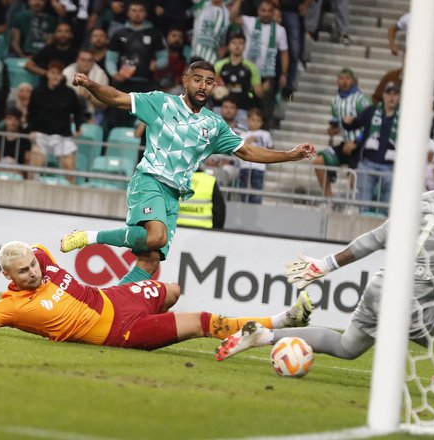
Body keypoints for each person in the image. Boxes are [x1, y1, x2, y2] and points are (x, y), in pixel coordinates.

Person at [216, 150, 434, 400]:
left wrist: (326, 264)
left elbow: (373, 240)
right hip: (415, 307)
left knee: (347, 347)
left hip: (379, 289)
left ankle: (266, 336)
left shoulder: (419, 201)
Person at [60, 61, 315, 285]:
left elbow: (248, 153)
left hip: (174, 195)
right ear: (185, 81)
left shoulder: (214, 125)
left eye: (209, 81)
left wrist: (290, 154)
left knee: (150, 262)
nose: (203, 86)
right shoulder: (161, 102)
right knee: (156, 236)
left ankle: (110, 306)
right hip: (149, 180)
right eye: (197, 80)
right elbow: (117, 98)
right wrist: (90, 84)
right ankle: (87, 237)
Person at [0, 241, 313, 350]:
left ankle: (169, 316)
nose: (34, 271)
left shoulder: (39, 254)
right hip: (119, 331)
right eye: (23, 271)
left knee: (173, 290)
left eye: (33, 264)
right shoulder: (10, 308)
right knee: (201, 322)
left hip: (117, 296)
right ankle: (280, 322)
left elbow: (39, 252)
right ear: (7, 275)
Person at [106, 1, 167, 129]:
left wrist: (156, 64)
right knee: (118, 122)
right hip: (123, 85)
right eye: (133, 10)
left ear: (145, 13)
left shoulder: (155, 34)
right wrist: (114, 73)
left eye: (140, 10)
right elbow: (110, 59)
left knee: (143, 124)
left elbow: (164, 59)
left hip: (146, 85)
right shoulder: (119, 34)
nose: (137, 14)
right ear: (128, 13)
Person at [343, 81, 401, 214]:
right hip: (367, 165)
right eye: (389, 93)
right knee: (362, 207)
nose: (392, 97)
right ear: (384, 95)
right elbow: (354, 124)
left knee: (388, 210)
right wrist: (346, 122)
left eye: (395, 94)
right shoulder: (371, 111)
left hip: (391, 168)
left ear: (399, 97)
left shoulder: (404, 116)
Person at [230, 0, 289, 128]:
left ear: (273, 13)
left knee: (265, 104)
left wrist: (284, 72)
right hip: (247, 71)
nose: (266, 14)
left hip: (267, 73)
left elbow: (284, 52)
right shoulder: (249, 22)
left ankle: (264, 131)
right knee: (244, 101)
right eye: (263, 10)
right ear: (258, 11)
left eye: (269, 11)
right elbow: (233, 17)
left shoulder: (280, 30)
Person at [314, 67, 370, 199]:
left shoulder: (361, 99)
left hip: (361, 145)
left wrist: (356, 142)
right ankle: (328, 199)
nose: (344, 81)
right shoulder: (335, 101)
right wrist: (332, 130)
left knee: (354, 177)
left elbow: (370, 123)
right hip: (345, 144)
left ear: (353, 81)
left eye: (347, 78)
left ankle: (354, 205)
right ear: (337, 81)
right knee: (319, 161)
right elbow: (336, 124)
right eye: (341, 78)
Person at [28, 60, 83, 180]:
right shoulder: (37, 92)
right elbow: (31, 112)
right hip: (41, 135)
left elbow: (78, 111)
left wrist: (78, 127)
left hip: (62, 136)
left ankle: (72, 191)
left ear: (62, 75)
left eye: (58, 73)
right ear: (47, 74)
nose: (55, 76)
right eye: (52, 73)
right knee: (33, 167)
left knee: (69, 167)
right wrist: (31, 130)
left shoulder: (69, 93)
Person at [213, 32, 263, 122]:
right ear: (229, 46)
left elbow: (259, 92)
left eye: (240, 43)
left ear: (244, 46)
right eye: (234, 43)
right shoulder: (219, 65)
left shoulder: (252, 67)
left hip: (242, 110)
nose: (237, 46)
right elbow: (211, 87)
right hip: (220, 109)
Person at [62, 48, 109, 124]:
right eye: (83, 60)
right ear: (77, 60)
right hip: (69, 112)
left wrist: (88, 96)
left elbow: (104, 105)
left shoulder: (101, 75)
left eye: (89, 60)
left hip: (94, 114)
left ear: (94, 61)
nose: (86, 63)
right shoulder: (66, 73)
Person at [238, 108, 272, 204]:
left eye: (258, 120)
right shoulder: (243, 135)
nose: (255, 123)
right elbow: (238, 150)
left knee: (256, 193)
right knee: (243, 192)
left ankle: (255, 208)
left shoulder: (265, 134)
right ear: (248, 120)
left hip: (259, 168)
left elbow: (270, 148)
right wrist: (247, 143)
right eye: (253, 120)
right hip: (244, 167)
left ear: (261, 122)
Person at [190, 0, 230, 65]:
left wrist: (226, 48)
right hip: (196, 54)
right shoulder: (202, 3)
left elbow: (235, 34)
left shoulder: (227, 12)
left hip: (213, 58)